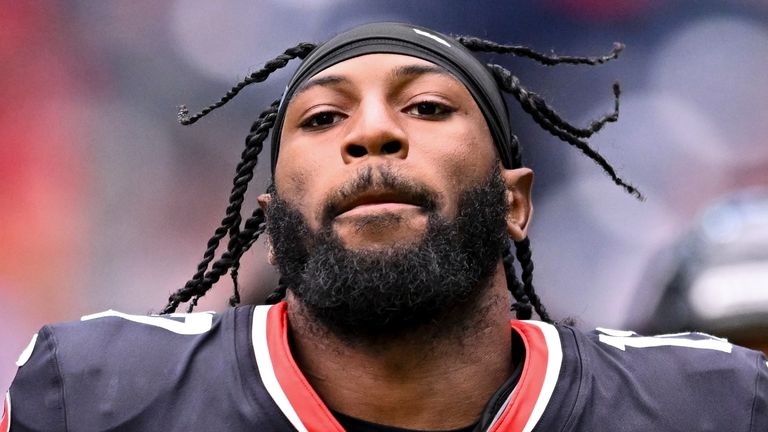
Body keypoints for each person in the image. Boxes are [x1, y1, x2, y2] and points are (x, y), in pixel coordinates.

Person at [3, 22, 766, 432]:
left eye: (428, 108)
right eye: (325, 117)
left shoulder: (713, 404)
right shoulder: (92, 395)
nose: (372, 135)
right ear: (272, 221)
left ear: (515, 202)